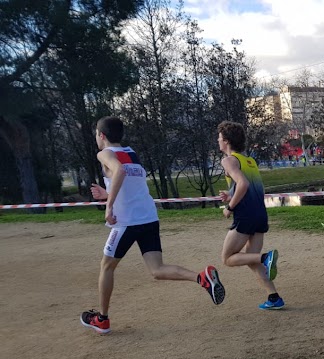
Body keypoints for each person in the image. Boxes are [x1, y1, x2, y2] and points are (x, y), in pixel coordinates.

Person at [81, 116, 224, 334]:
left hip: (126, 222)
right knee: (157, 270)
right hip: (148, 217)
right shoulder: (132, 153)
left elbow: (118, 171)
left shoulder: (104, 153)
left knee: (106, 266)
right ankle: (201, 277)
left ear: (101, 135)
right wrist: (108, 194)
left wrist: (109, 207)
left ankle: (102, 319)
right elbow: (131, 186)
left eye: (96, 136)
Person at [217, 121, 284, 310]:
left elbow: (244, 184)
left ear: (227, 141)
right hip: (260, 214)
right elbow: (252, 189)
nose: (218, 141)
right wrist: (231, 194)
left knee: (228, 258)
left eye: (219, 138)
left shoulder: (228, 160)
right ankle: (274, 297)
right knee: (252, 259)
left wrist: (229, 207)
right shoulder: (250, 161)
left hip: (245, 216)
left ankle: (266, 257)